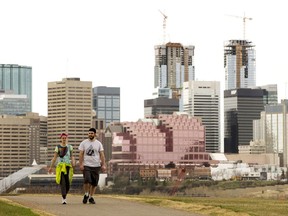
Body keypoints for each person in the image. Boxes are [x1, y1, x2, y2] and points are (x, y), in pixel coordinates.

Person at [78, 128, 106, 204]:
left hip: (96, 165)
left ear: (95, 134)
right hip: (86, 165)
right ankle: (86, 194)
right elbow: (80, 154)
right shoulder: (84, 143)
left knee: (94, 183)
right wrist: (81, 164)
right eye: (89, 133)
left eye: (92, 133)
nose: (90, 134)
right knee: (87, 180)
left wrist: (103, 164)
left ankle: (91, 197)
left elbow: (102, 155)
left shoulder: (98, 143)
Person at [48, 133, 75, 204]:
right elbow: (54, 158)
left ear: (66, 139)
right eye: (63, 138)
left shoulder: (70, 147)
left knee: (68, 183)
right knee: (62, 182)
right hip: (60, 166)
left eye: (65, 138)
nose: (64, 139)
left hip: (68, 166)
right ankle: (64, 198)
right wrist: (51, 167)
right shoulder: (58, 147)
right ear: (61, 139)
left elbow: (72, 156)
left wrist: (73, 162)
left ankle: (65, 194)